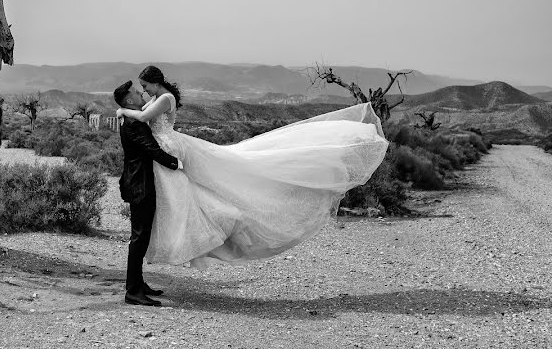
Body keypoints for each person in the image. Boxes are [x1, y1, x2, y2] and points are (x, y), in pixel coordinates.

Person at [116, 65, 389, 267]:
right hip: (167, 148)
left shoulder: (163, 99)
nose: (144, 91)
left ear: (154, 83)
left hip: (169, 147)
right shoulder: (157, 97)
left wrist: (122, 110)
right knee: (184, 195)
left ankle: (198, 235)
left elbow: (141, 116)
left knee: (192, 191)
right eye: (141, 89)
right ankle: (175, 242)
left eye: (145, 86)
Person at [113, 80, 182, 306]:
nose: (140, 93)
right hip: (140, 186)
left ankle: (138, 284)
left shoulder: (130, 118)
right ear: (130, 100)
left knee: (140, 237)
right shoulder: (135, 123)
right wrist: (176, 163)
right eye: (135, 92)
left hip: (137, 184)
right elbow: (152, 149)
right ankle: (133, 291)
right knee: (139, 237)